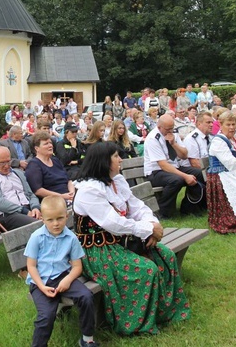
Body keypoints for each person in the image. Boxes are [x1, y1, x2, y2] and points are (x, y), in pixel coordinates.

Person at [73, 141, 191, 335]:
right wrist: (147, 230)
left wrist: (152, 225)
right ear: (103, 161)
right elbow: (113, 223)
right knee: (147, 270)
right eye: (115, 156)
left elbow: (136, 207)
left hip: (121, 242)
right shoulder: (89, 190)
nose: (120, 159)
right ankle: (135, 324)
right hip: (98, 251)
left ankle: (162, 314)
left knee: (166, 256)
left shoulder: (115, 181)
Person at [25, 195, 97, 347]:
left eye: (59, 218)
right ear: (42, 219)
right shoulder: (36, 237)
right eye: (50, 220)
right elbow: (31, 266)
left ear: (67, 216)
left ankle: (87, 338)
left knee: (86, 297)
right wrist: (42, 286)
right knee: (46, 316)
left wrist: (68, 280)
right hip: (40, 282)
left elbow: (77, 267)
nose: (56, 224)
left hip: (63, 276)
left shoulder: (71, 238)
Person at [143, 114, 206, 218]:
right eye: (168, 129)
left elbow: (184, 155)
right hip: (155, 172)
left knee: (199, 174)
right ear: (159, 127)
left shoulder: (173, 134)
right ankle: (163, 212)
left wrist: (174, 144)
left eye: (172, 128)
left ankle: (189, 208)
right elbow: (163, 165)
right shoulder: (153, 138)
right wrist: (185, 176)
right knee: (177, 180)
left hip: (173, 167)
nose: (170, 131)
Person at [0, 146, 42, 233]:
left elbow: (30, 194)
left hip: (28, 209)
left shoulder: (18, 173)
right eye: (2, 163)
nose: (6, 166)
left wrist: (35, 207)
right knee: (39, 225)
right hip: (7, 215)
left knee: (57, 217)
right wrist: (24, 211)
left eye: (8, 161)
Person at [26, 132, 74, 201]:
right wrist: (61, 196)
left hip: (68, 196)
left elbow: (68, 180)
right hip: (52, 202)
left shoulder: (55, 160)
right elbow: (38, 190)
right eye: (46, 144)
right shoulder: (34, 165)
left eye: (50, 143)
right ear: (37, 148)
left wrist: (72, 192)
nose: (50, 146)